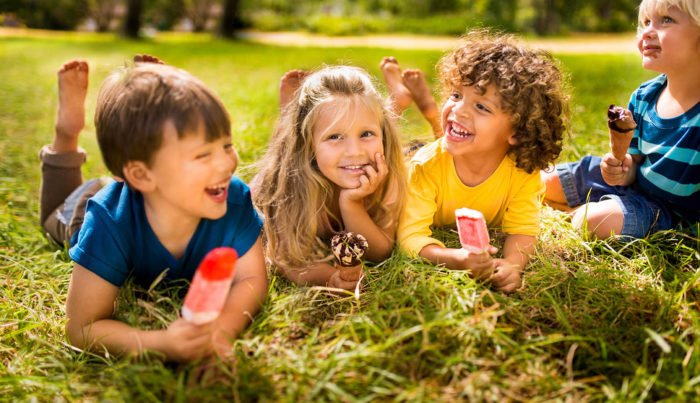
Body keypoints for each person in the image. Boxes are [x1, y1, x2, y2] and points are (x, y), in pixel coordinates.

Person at [39, 56, 267, 362]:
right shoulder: (106, 222)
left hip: (148, 190)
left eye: (227, 145)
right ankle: (67, 134)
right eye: (203, 155)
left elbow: (251, 280)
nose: (227, 164)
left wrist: (221, 331)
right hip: (94, 208)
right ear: (142, 175)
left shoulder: (232, 198)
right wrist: (160, 342)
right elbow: (81, 327)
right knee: (57, 214)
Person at [395, 30, 569, 293]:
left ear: (517, 131)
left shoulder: (522, 172)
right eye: (456, 95)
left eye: (481, 107)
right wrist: (456, 260)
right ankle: (410, 103)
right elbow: (410, 236)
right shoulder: (425, 166)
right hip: (407, 162)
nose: (459, 110)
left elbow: (523, 229)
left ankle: (425, 107)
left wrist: (512, 265)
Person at [542, 0, 700, 239]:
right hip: (635, 184)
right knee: (545, 181)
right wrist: (621, 169)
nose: (647, 31)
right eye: (646, 22)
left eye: (667, 20)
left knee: (592, 222)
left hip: (669, 211)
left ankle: (579, 211)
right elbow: (635, 162)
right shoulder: (645, 96)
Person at [253, 65, 407, 291]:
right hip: (280, 180)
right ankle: (288, 115)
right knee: (285, 148)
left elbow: (380, 251)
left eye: (367, 134)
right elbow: (288, 261)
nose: (354, 151)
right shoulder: (290, 183)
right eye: (335, 136)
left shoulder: (385, 171)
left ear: (383, 135)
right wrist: (330, 277)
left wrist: (351, 203)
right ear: (309, 145)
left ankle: (294, 114)